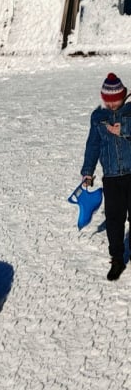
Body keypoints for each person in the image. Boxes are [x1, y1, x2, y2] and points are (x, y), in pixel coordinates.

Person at [80, 73, 131, 280]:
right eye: (108, 101)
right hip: (110, 177)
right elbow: (92, 146)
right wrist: (87, 172)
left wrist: (124, 130)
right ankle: (117, 259)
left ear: (123, 95)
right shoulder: (98, 117)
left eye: (115, 101)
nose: (112, 105)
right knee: (114, 219)